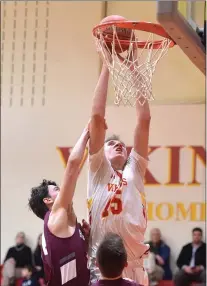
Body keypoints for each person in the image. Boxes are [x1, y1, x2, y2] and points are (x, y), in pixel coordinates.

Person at [87, 48, 150, 285]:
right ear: (100, 152)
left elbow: (144, 121)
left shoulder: (135, 169)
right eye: (111, 143)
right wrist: (107, 64)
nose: (118, 145)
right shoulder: (97, 171)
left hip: (134, 265)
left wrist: (134, 66)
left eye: (121, 144)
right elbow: (96, 118)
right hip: (100, 267)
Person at [28, 126, 90, 286]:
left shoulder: (65, 221)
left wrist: (87, 240)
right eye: (57, 190)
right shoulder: (55, 216)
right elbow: (72, 168)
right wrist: (87, 133)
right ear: (47, 200)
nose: (63, 191)